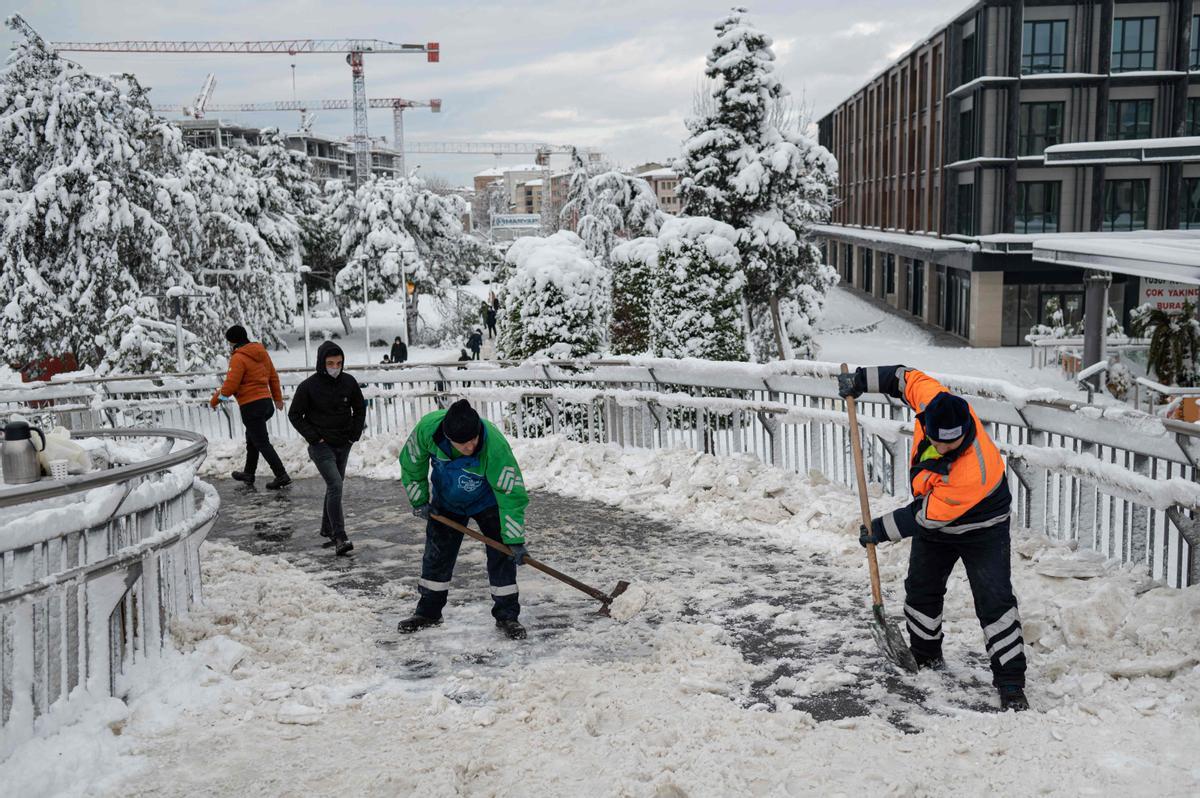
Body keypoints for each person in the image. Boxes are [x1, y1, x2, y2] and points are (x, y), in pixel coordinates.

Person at [839, 365, 1028, 712]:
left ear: (965, 432)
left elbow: (924, 515)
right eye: (936, 439)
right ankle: (925, 657)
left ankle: (1011, 683)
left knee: (994, 601)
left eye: (950, 442)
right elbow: (902, 377)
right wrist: (860, 382)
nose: (941, 447)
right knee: (921, 590)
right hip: (936, 521)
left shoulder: (973, 471)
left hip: (983, 527)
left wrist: (878, 530)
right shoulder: (934, 403)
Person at [397, 399, 531, 640]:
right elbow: (411, 462)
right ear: (448, 438)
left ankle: (507, 616)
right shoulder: (427, 430)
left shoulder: (494, 445)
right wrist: (419, 500)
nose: (471, 446)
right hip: (446, 502)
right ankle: (428, 612)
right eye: (463, 443)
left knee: (502, 555)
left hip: (487, 501)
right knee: (437, 556)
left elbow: (511, 491)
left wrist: (515, 538)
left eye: (474, 439)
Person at [287, 341, 365, 557]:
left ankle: (327, 528)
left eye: (339, 363)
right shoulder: (308, 387)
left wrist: (354, 433)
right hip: (321, 446)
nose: (335, 367)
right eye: (330, 363)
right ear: (321, 363)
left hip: (344, 442)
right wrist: (314, 438)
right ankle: (340, 536)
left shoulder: (349, 382)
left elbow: (359, 408)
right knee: (335, 484)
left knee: (335, 487)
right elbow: (294, 415)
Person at [210, 325, 291, 489]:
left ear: (232, 342)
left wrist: (215, 400)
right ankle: (249, 473)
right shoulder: (261, 353)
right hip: (266, 404)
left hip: (251, 405)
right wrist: (277, 398)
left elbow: (231, 385)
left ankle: (281, 475)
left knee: (261, 442)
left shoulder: (238, 358)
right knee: (252, 439)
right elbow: (273, 376)